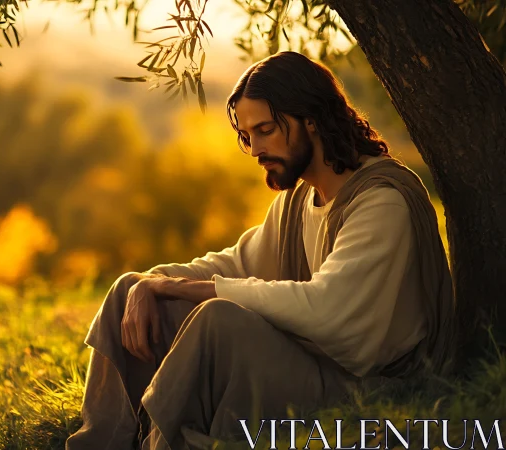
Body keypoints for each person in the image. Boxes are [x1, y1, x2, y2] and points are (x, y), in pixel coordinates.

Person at [65, 51, 457, 450]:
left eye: (266, 130)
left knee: (216, 319)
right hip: (311, 363)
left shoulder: (380, 203)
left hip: (361, 386)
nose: (254, 150)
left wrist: (181, 289)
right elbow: (238, 263)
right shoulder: (299, 200)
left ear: (312, 119)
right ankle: (102, 442)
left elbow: (327, 310)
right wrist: (154, 282)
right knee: (129, 289)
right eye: (248, 136)